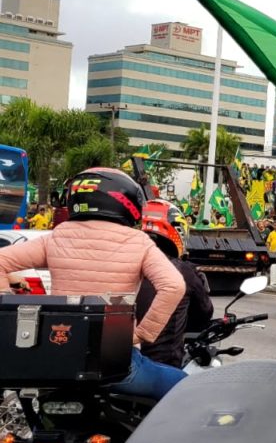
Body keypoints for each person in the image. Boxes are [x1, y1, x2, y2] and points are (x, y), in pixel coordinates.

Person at [0, 168, 186, 400]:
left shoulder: (57, 237)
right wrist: (141, 334)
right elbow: (174, 286)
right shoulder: (139, 242)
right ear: (126, 202)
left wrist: (9, 304)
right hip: (115, 363)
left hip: (56, 359)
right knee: (186, 387)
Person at [138, 200, 214, 368]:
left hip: (118, 363)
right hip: (162, 365)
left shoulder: (125, 262)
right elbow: (203, 314)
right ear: (176, 230)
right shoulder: (185, 271)